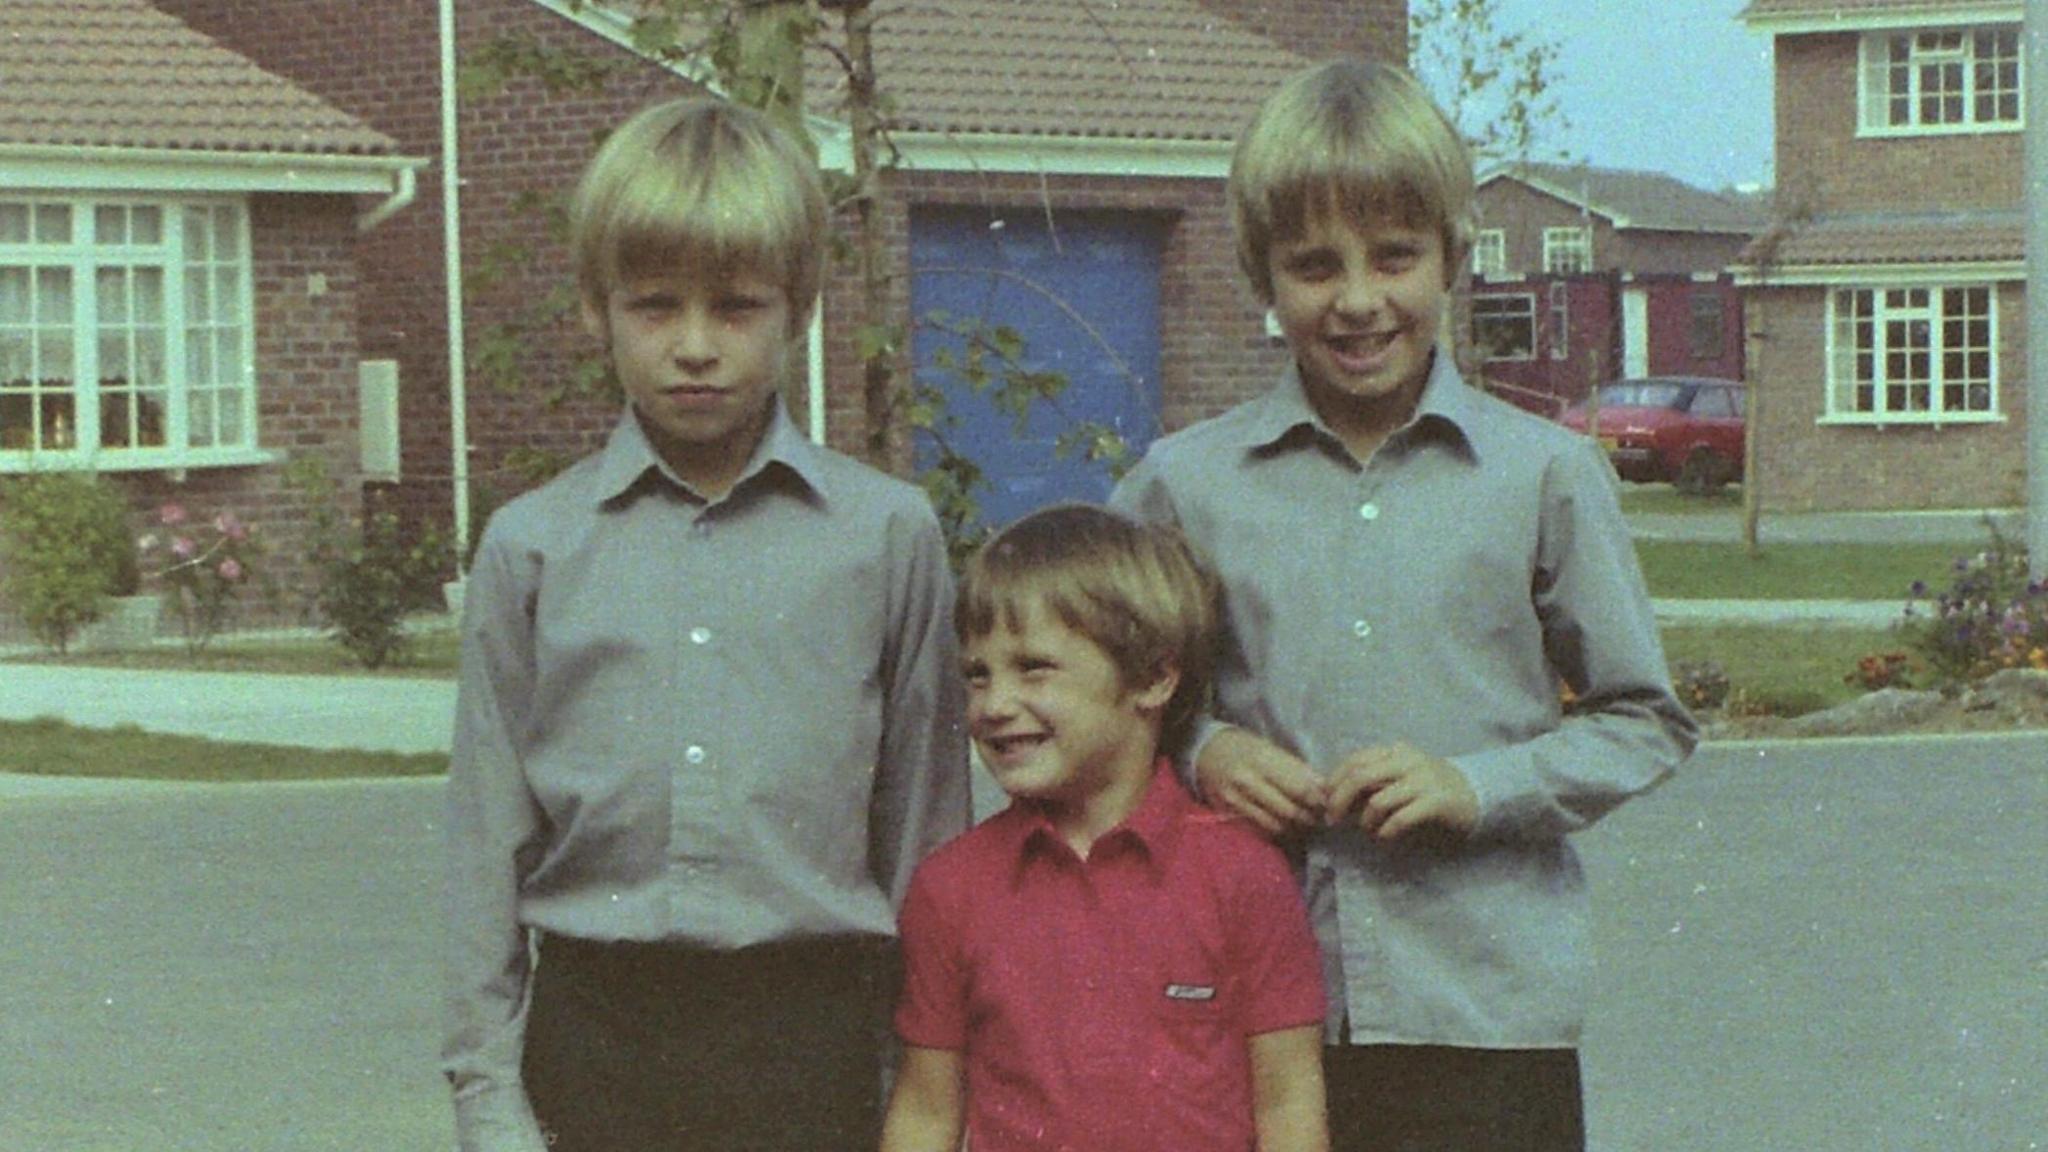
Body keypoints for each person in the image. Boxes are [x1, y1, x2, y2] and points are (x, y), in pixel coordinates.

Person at [1111, 60, 1698, 1152]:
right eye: (1312, 265)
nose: (1356, 299)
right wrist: (1203, 756)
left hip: (1481, 1008)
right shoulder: (1179, 487)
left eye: (1393, 256)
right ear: (1262, 277)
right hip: (1245, 1003)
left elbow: (1643, 720)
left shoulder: (1540, 476)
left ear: (1450, 260)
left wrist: (1472, 787)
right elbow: (1103, 708)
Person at [440, 96, 968, 1152]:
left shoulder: (884, 536)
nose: (692, 347)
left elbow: (925, 830)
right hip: (594, 1040)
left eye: (734, 307)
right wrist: (488, 1103)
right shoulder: (531, 546)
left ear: (798, 311)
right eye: (653, 306)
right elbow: (483, 846)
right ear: (595, 309)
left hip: (812, 1037)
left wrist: (922, 1089)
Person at [880, 503, 1330, 1152]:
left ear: (1152, 678)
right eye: (978, 675)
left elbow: (1288, 1106)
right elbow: (926, 1112)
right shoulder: (952, 887)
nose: (994, 706)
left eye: (1033, 667)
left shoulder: (1243, 875)